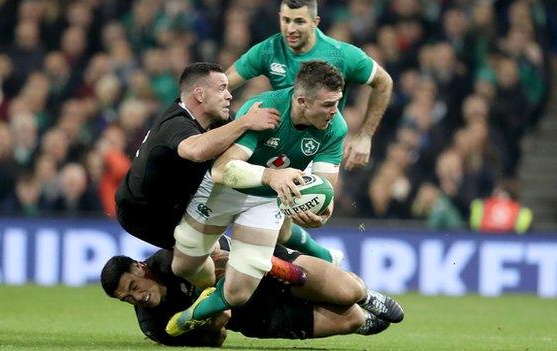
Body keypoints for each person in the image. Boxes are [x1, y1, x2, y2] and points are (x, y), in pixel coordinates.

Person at [167, 61, 361, 336]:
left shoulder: (335, 128)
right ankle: (210, 285)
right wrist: (271, 176)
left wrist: (320, 216)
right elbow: (223, 169)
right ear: (302, 101)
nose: (335, 111)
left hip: (268, 199)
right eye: (328, 104)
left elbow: (326, 190)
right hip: (226, 190)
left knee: (238, 294)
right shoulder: (263, 109)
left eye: (337, 102)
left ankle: (194, 313)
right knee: (183, 265)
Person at [225, 0, 394, 262]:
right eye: (286, 20)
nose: (290, 28)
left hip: (318, 144)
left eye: (299, 21)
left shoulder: (341, 55)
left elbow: (383, 82)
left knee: (297, 215)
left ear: (315, 23)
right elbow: (225, 84)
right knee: (280, 227)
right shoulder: (269, 50)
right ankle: (324, 256)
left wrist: (365, 136)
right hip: (278, 142)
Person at [100, 236, 404, 346]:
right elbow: (217, 339)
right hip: (259, 317)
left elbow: (221, 251)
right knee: (349, 319)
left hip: (265, 269)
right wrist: (213, 324)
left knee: (348, 291)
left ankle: (366, 296)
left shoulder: (172, 260)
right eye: (127, 298)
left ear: (140, 268)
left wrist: (223, 270)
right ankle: (361, 316)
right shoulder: (153, 326)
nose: (137, 298)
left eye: (133, 287)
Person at [114, 62, 280, 250]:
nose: (229, 95)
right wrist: (246, 121)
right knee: (216, 256)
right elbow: (197, 150)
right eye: (222, 88)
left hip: (180, 205)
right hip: (143, 215)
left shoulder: (220, 120)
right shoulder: (175, 123)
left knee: (230, 250)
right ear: (200, 95)